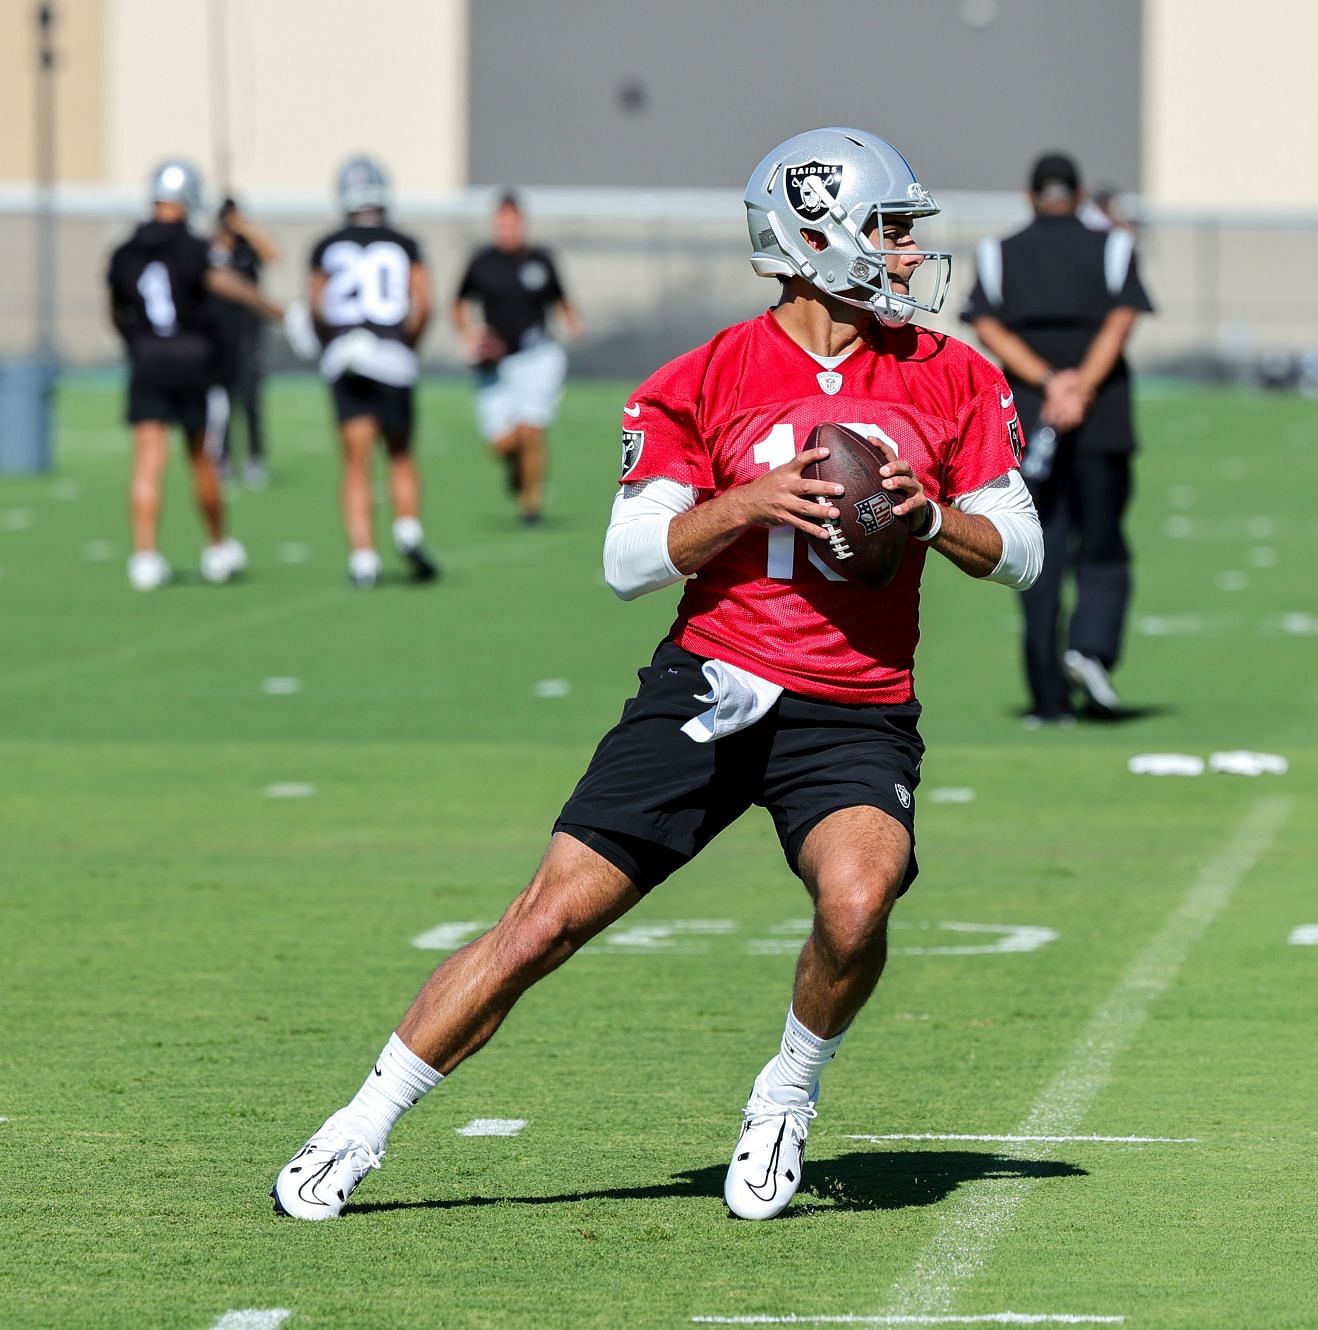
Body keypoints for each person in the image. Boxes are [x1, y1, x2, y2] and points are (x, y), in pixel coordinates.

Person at [271, 126, 1042, 1224]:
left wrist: (936, 519)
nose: (910, 255)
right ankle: (363, 1121)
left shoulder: (954, 374)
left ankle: (786, 1090)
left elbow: (1022, 547)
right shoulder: (706, 377)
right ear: (814, 238)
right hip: (712, 687)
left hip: (854, 707)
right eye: (888, 230)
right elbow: (628, 560)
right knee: (542, 924)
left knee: (860, 900)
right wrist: (746, 504)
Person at [964, 151, 1152, 724]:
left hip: (1028, 413)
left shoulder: (999, 252)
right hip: (1102, 416)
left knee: (1037, 546)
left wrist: (1049, 383)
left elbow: (988, 324)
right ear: (1079, 194)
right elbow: (1121, 320)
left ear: (1030, 196)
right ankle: (1088, 649)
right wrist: (1082, 387)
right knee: (1102, 545)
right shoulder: (1113, 246)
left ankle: (1048, 698)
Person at [106, 159, 281, 591]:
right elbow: (227, 285)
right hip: (192, 361)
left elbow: (116, 312)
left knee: (148, 462)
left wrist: (136, 346)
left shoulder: (126, 251)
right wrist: (275, 309)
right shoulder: (193, 247)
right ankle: (217, 547)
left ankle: (145, 556)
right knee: (203, 459)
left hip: (147, 358)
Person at [310, 156, 439, 587]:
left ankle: (363, 559)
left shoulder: (327, 246)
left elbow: (317, 305)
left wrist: (325, 341)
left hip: (346, 353)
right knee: (400, 452)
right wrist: (408, 345)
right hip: (391, 352)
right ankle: (406, 526)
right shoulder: (404, 243)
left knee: (356, 463)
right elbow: (424, 302)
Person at [451, 192, 582, 525]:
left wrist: (572, 321)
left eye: (512, 223)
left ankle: (531, 507)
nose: (506, 229)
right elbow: (458, 303)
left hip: (537, 357)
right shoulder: (482, 262)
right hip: (495, 364)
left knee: (531, 430)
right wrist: (469, 336)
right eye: (501, 223)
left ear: (521, 224)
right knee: (501, 444)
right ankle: (517, 468)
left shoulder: (540, 260)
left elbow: (560, 300)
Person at [208, 196, 280, 490]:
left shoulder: (247, 248)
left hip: (249, 333)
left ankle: (255, 458)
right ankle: (222, 458)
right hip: (218, 334)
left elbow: (274, 256)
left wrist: (249, 229)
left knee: (250, 398)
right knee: (221, 401)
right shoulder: (212, 248)